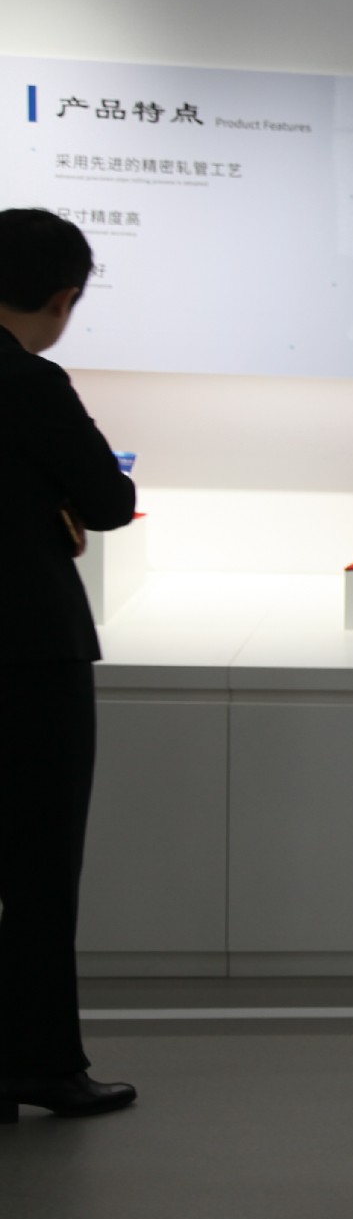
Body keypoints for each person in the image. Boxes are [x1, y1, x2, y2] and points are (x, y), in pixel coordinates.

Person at [0, 208, 139, 1125]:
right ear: (61, 299)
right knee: (40, 868)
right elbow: (109, 499)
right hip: (28, 647)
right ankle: (39, 1062)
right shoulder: (32, 383)